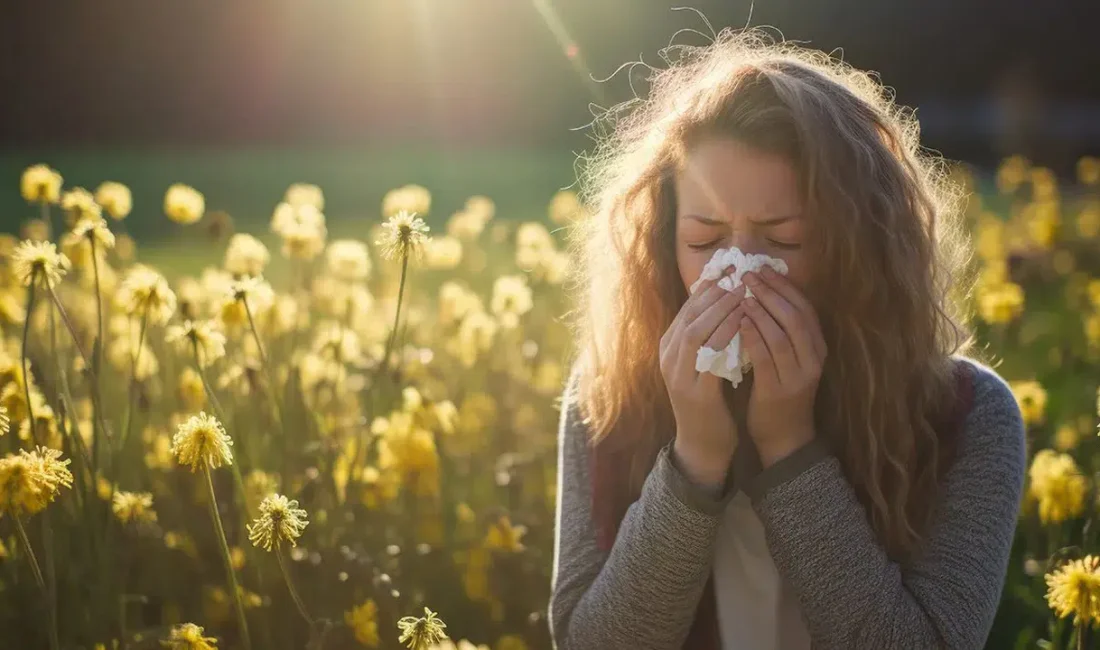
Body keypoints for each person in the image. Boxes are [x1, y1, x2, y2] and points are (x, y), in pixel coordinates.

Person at [548, 29, 1026, 650]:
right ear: (666, 243)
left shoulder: (969, 416)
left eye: (785, 241)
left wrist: (789, 448)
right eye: (703, 240)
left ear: (863, 249)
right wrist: (694, 458)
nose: (739, 274)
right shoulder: (606, 395)